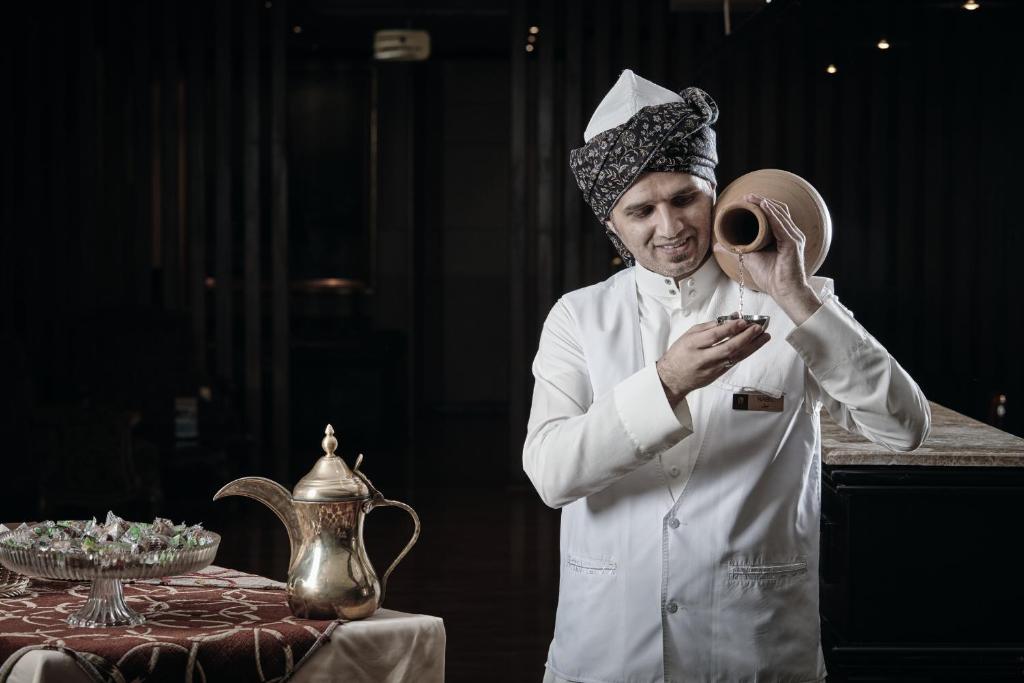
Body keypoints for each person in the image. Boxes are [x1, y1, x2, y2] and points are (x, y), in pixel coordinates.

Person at [523, 69, 930, 683]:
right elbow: (552, 476)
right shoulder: (579, 317)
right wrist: (665, 382)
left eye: (685, 198)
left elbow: (905, 428)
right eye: (641, 210)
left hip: (755, 644)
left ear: (714, 192)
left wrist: (796, 297)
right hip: (607, 649)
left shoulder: (797, 303)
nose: (670, 227)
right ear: (612, 224)